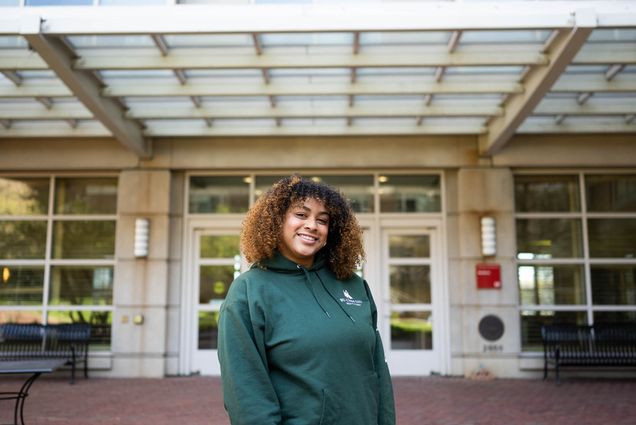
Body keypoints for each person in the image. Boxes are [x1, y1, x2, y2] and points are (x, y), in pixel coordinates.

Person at [218, 175, 395, 425]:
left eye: (322, 220)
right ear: (276, 221)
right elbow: (246, 391)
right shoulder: (249, 291)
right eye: (301, 215)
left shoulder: (354, 286)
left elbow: (377, 371)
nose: (312, 225)